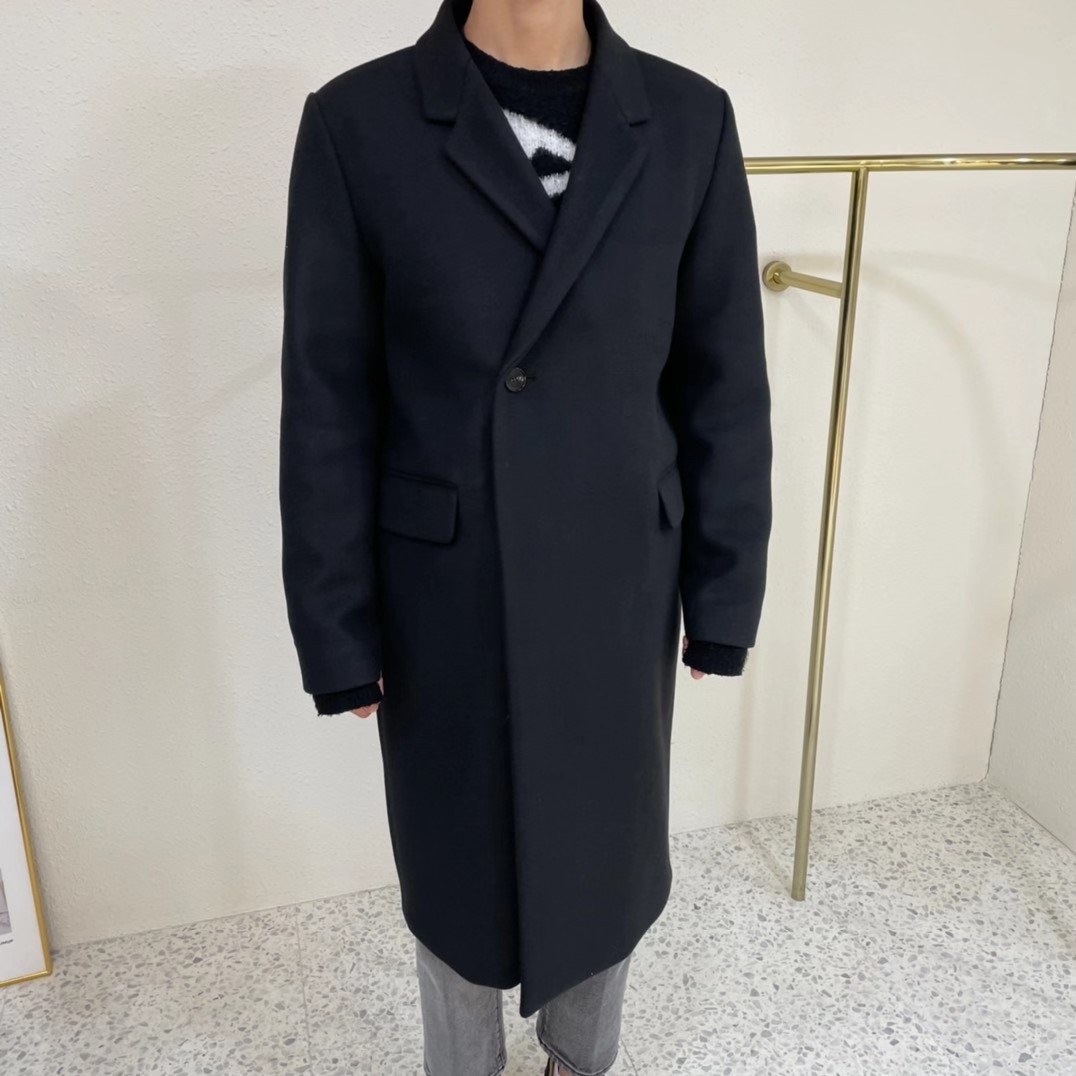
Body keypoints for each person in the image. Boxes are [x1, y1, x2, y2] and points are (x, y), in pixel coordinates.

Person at [278, 0, 773, 1072]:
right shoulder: (356, 122)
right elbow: (327, 400)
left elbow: (723, 378)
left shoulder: (688, 120)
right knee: (451, 871)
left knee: (605, 860)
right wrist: (335, 628)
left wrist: (724, 591)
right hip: (443, 587)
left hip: (618, 578)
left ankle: (578, 1061)